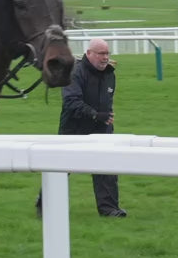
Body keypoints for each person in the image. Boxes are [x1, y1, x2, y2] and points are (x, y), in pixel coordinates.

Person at [36, 37, 126, 218]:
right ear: (89, 53)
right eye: (101, 53)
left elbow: (107, 103)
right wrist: (94, 114)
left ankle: (110, 210)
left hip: (102, 128)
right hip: (74, 128)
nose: (105, 57)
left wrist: (105, 119)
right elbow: (71, 101)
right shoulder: (75, 72)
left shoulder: (110, 74)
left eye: (107, 53)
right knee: (61, 169)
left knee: (106, 167)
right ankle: (44, 205)